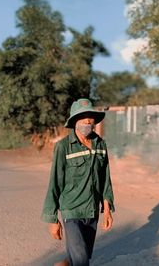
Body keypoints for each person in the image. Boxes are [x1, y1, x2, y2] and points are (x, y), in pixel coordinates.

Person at [41, 98, 115, 266]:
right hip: (71, 211)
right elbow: (55, 183)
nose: (88, 121)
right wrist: (52, 218)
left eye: (91, 117)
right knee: (81, 260)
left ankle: (65, 264)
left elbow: (105, 179)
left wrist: (107, 208)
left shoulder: (100, 145)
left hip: (92, 211)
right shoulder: (64, 147)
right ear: (74, 121)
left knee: (83, 255)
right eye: (83, 117)